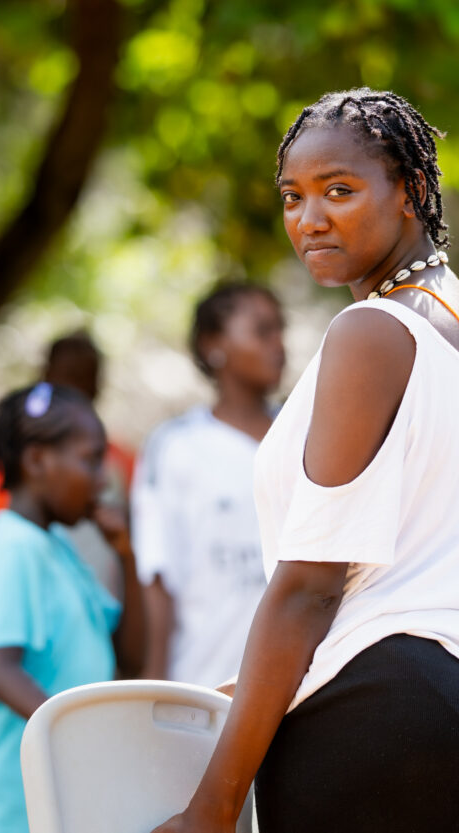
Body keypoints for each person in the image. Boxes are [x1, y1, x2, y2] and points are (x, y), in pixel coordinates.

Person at [150, 88, 459, 833]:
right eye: (292, 196)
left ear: (412, 190)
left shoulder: (370, 332)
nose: (309, 219)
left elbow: (310, 588)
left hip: (377, 715)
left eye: (339, 190)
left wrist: (213, 806)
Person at [0, 383, 145, 833]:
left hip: (28, 806)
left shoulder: (57, 546)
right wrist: (76, 737)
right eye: (90, 460)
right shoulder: (14, 545)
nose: (103, 480)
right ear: (37, 460)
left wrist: (126, 555)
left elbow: (131, 656)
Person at [131, 283, 285, 688]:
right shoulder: (175, 446)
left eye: (280, 330)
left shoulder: (304, 432)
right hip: (204, 681)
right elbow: (158, 570)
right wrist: (157, 678)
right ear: (213, 345)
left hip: (303, 684)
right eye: (262, 331)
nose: (279, 344)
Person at [0, 333, 136, 597]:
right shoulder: (11, 473)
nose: (77, 387)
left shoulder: (121, 464)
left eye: (87, 377)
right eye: (69, 375)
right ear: (45, 376)